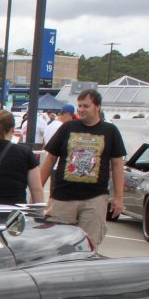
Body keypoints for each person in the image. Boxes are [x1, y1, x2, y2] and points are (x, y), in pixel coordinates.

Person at [38, 88, 126, 247]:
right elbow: (50, 159)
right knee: (58, 244)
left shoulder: (110, 131)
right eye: (79, 106)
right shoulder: (67, 127)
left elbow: (118, 165)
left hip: (95, 198)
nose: (81, 109)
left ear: (97, 107)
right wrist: (37, 191)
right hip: (63, 196)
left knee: (89, 245)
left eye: (85, 106)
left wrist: (119, 198)